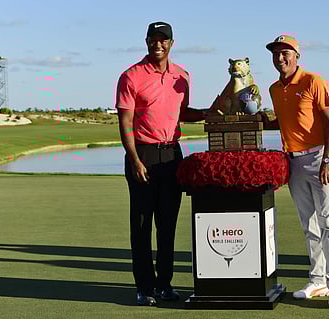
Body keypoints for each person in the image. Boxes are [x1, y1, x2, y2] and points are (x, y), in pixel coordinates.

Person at [115, 21, 208, 306]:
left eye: (163, 40)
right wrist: (134, 160)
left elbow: (182, 113)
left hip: (171, 156)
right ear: (146, 42)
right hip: (143, 154)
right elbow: (125, 121)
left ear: (171, 43)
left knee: (167, 225)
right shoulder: (131, 76)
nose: (158, 44)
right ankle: (145, 287)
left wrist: (212, 111)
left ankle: (164, 284)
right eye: (153, 39)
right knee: (142, 226)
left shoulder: (182, 76)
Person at [262, 35, 329, 308]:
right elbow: (289, 123)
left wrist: (327, 160)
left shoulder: (313, 81)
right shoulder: (275, 89)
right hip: (293, 162)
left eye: (285, 53)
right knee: (309, 226)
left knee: (328, 224)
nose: (280, 58)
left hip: (319, 157)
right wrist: (263, 122)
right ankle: (317, 280)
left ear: (297, 56)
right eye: (276, 54)